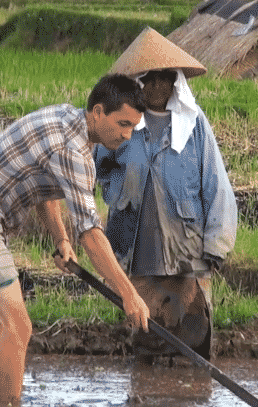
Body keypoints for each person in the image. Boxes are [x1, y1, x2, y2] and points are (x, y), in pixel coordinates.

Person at [0, 74, 151, 407]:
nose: (126, 135)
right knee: (18, 326)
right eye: (122, 124)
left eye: (132, 128)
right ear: (97, 112)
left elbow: (44, 186)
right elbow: (93, 237)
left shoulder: (69, 120)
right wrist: (129, 294)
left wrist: (60, 239)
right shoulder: (73, 150)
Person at [94, 27, 238, 361]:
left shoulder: (194, 124)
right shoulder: (123, 123)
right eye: (150, 79)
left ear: (175, 83)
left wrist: (217, 244)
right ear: (138, 84)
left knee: (193, 336)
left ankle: (186, 400)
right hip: (137, 249)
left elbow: (216, 185)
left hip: (187, 250)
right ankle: (146, 404)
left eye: (165, 78)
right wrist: (116, 192)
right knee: (147, 335)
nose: (158, 85)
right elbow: (96, 168)